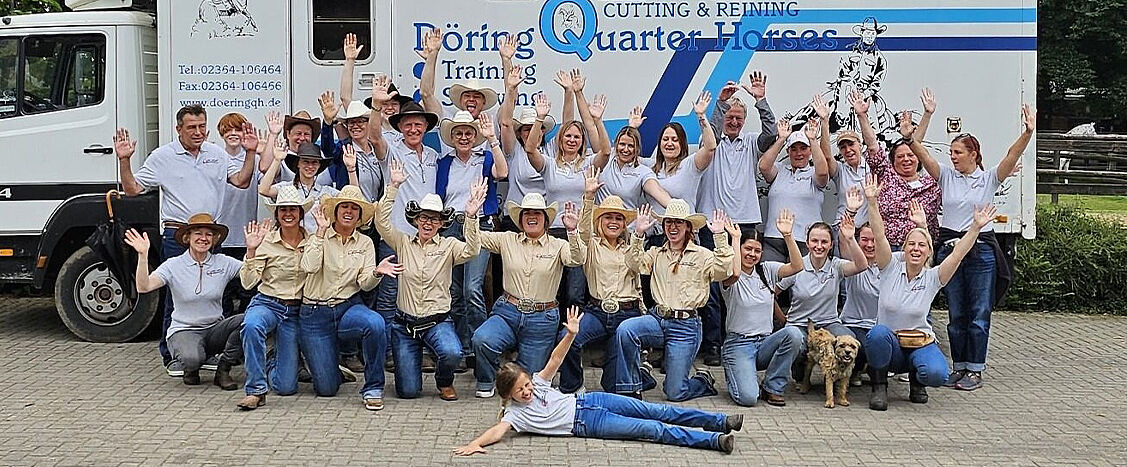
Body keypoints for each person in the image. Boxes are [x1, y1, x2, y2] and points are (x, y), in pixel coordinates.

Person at [453, 307, 742, 456]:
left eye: (526, 384)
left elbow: (554, 360)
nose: (528, 391)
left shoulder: (538, 384)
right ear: (509, 395)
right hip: (587, 425)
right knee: (653, 429)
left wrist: (570, 334)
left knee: (661, 411)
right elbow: (496, 432)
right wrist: (474, 444)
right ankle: (715, 441)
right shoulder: (515, 415)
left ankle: (720, 421)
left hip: (591, 400)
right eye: (521, 390)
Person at [114, 104, 259, 376]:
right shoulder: (162, 156)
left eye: (202, 126)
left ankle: (210, 353)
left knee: (219, 293)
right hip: (177, 233)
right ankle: (173, 355)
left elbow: (240, 180)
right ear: (178, 128)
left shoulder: (216, 154)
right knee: (175, 293)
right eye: (191, 127)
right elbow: (133, 189)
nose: (198, 132)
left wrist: (250, 153)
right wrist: (125, 160)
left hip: (209, 234)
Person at [910, 100, 1034, 390]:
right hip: (951, 247)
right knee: (956, 314)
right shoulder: (944, 175)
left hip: (980, 249)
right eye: (951, 152)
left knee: (979, 312)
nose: (952, 157)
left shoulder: (989, 178)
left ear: (973, 154)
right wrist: (927, 114)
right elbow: (917, 146)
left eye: (957, 152)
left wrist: (1028, 132)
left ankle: (975, 369)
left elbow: (1011, 154)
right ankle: (959, 366)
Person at [862, 175, 1000, 409]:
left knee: (937, 373)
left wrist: (976, 227)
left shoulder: (934, 277)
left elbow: (957, 254)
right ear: (903, 249)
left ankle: (918, 382)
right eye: (911, 245)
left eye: (921, 246)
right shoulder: (889, 266)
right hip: (891, 345)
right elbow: (879, 234)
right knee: (876, 335)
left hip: (919, 343)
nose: (916, 249)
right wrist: (872, 202)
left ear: (928, 253)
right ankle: (879, 386)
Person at [376, 160, 488, 400]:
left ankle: (444, 380)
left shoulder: (449, 246)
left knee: (453, 353)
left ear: (441, 224)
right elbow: (381, 223)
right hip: (405, 325)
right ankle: (410, 365)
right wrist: (393, 187)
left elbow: (472, 249)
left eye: (434, 219)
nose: (428, 223)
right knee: (407, 392)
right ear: (415, 220)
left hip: (437, 322)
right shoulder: (402, 242)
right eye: (424, 218)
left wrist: (471, 216)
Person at [612, 200, 734, 402]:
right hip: (657, 319)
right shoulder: (656, 253)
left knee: (675, 392)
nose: (673, 227)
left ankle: (702, 381)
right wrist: (639, 235)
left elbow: (723, 271)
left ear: (688, 227)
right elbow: (634, 264)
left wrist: (720, 237)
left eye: (678, 223)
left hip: (685, 327)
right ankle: (631, 389)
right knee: (626, 330)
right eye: (668, 222)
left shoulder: (703, 255)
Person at [471, 193, 587, 398]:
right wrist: (471, 217)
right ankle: (487, 380)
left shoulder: (558, 245)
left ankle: (510, 377)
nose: (531, 217)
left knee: (529, 381)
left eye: (537, 213)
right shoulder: (507, 239)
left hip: (542, 319)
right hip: (507, 311)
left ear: (546, 219)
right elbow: (475, 240)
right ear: (520, 218)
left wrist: (572, 231)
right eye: (527, 213)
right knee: (482, 339)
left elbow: (577, 259)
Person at [299, 185, 404, 411]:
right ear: (335, 211)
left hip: (348, 307)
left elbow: (364, 284)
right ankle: (327, 368)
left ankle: (374, 388)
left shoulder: (365, 242)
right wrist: (319, 233)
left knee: (375, 323)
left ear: (359, 215)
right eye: (344, 206)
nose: (349, 211)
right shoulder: (318, 235)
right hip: (315, 314)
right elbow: (308, 266)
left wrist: (377, 272)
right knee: (326, 389)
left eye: (354, 208)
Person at [698, 72, 775, 366]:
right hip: (712, 223)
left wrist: (760, 100)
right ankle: (713, 344)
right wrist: (720, 103)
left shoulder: (752, 142)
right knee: (715, 286)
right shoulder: (711, 143)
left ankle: (741, 339)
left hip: (745, 223)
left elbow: (771, 131)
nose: (733, 122)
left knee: (744, 284)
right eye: (729, 117)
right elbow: (712, 130)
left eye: (738, 118)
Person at [123, 213, 244, 389]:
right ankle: (191, 368)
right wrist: (143, 255)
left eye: (208, 234)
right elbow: (144, 286)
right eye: (198, 234)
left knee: (249, 321)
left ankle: (223, 369)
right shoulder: (174, 264)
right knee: (192, 358)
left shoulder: (223, 262)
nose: (203, 238)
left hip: (215, 328)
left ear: (214, 239)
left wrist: (253, 250)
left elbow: (252, 274)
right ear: (188, 237)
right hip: (185, 330)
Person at [369, 76, 442, 361]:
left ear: (425, 128)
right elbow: (374, 136)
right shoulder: (392, 150)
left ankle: (422, 349)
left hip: (427, 239)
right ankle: (387, 352)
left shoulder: (435, 155)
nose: (413, 128)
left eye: (418, 124)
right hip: (397, 235)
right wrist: (377, 106)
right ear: (399, 127)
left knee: (424, 297)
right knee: (389, 297)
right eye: (407, 124)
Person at [556, 170, 645, 394]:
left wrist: (639, 236)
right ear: (600, 221)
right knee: (567, 337)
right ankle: (572, 388)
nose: (613, 222)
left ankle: (631, 383)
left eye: (619, 218)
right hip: (596, 311)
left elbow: (637, 265)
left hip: (627, 313)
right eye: (608, 217)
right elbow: (583, 233)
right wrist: (588, 197)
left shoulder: (632, 245)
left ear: (625, 224)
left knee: (614, 387)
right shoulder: (592, 245)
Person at [435, 110, 508, 367]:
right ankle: (465, 349)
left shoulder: (485, 158)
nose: (463, 137)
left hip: (479, 225)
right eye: (459, 133)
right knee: (454, 291)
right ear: (452, 137)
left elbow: (502, 171)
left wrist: (492, 140)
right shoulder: (444, 162)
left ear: (475, 136)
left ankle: (482, 349)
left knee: (472, 288)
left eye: (468, 133)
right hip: (450, 226)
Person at [524, 89, 602, 310]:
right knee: (552, 290)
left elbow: (605, 151)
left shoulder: (589, 163)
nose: (572, 140)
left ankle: (572, 341)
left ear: (582, 141)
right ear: (560, 139)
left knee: (575, 292)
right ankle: (551, 336)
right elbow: (530, 149)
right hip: (553, 234)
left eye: (577, 137)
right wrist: (540, 118)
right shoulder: (549, 164)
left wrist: (597, 120)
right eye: (568, 135)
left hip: (579, 234)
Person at [235, 186, 311, 410]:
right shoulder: (265, 240)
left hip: (297, 310)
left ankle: (270, 361)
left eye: (293, 210)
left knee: (286, 387)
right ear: (276, 214)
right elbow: (247, 283)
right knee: (251, 325)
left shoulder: (313, 240)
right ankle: (255, 390)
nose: (288, 214)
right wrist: (250, 251)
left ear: (300, 213)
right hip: (268, 302)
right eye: (283, 210)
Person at [718, 210, 804, 407]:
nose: (752, 254)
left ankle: (773, 386)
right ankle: (734, 373)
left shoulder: (767, 270)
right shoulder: (728, 273)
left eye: (757, 251)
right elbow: (736, 273)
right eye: (747, 249)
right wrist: (735, 238)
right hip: (738, 344)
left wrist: (788, 236)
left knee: (794, 334)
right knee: (748, 398)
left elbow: (798, 266)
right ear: (739, 249)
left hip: (765, 342)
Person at [859, 88, 940, 248]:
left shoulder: (933, 183)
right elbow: (873, 146)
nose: (906, 159)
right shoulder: (886, 175)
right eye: (900, 156)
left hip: (919, 249)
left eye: (911, 156)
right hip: (888, 249)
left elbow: (916, 146)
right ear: (892, 161)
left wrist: (927, 114)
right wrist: (862, 116)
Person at [757, 115, 830, 263]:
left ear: (810, 151)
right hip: (773, 239)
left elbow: (823, 172)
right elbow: (763, 166)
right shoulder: (779, 170)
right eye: (794, 149)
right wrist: (782, 139)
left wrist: (813, 140)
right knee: (772, 281)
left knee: (799, 284)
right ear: (788, 151)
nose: (799, 153)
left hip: (803, 240)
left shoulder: (814, 173)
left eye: (803, 148)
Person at [590, 105, 672, 210]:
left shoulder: (643, 172)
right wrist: (597, 120)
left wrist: (675, 208)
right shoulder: (605, 161)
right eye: (622, 144)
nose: (625, 149)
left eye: (631, 146)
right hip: (602, 224)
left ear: (637, 149)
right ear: (616, 145)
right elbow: (590, 128)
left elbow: (658, 191)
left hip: (629, 225)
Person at [259, 140, 340, 232]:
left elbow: (354, 197)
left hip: (317, 242)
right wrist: (277, 160)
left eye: (314, 162)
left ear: (319, 166)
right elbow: (263, 190)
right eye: (305, 161)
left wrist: (351, 169)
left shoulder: (327, 191)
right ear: (298, 163)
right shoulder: (286, 188)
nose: (310, 166)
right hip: (291, 243)